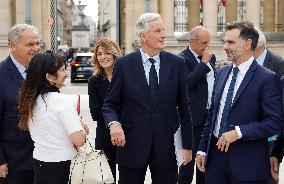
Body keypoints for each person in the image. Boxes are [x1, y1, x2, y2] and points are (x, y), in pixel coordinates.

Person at [103, 13, 193, 184]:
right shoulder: (124, 64)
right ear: (143, 36)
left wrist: (187, 145)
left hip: (167, 147)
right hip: (131, 146)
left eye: (163, 30)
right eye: (157, 30)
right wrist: (114, 123)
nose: (163, 34)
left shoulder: (177, 63)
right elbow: (110, 104)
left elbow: (184, 107)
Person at [196, 21, 284, 184]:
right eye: (224, 41)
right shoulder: (221, 73)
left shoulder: (267, 78)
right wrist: (202, 149)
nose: (225, 47)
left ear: (247, 43)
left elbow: (276, 122)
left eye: (230, 42)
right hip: (215, 162)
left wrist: (239, 132)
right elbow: (212, 116)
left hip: (247, 165)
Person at [18, 51, 87, 184]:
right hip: (63, 164)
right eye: (62, 70)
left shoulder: (29, 100)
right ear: (49, 77)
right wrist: (83, 129)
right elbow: (78, 140)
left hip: (39, 162)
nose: (66, 74)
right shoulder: (62, 101)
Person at [0, 24, 40, 184]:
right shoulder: (1, 75)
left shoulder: (41, 72)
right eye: (30, 44)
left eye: (37, 43)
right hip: (12, 164)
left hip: (42, 159)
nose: (36, 48)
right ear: (13, 46)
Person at [178, 26, 216, 184]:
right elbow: (185, 85)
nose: (207, 46)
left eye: (208, 42)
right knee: (187, 165)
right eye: (203, 43)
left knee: (205, 163)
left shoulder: (210, 57)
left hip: (209, 118)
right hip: (192, 120)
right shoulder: (181, 59)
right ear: (192, 41)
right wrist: (203, 63)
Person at [88, 37, 122, 183]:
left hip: (128, 135)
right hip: (105, 137)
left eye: (107, 53)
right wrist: (113, 121)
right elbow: (95, 113)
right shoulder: (94, 81)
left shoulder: (125, 76)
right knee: (108, 179)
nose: (103, 57)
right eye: (99, 54)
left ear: (114, 54)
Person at [253, 28, 284, 184]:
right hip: (244, 142)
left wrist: (276, 152)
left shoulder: (279, 65)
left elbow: (281, 112)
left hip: (269, 145)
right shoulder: (239, 66)